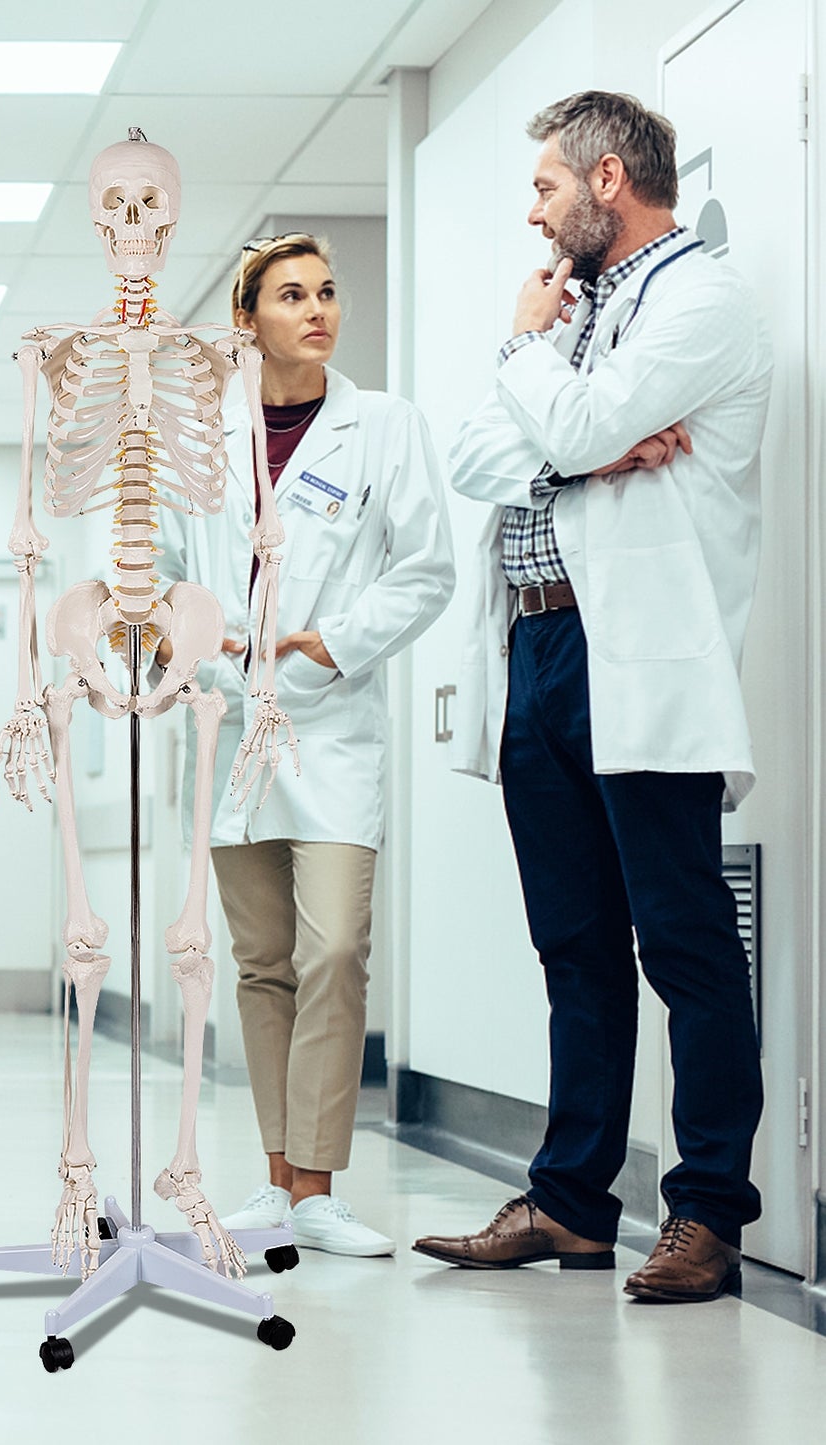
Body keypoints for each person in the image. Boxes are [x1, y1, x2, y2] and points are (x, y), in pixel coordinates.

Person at [413, 92, 772, 1303]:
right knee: (571, 942)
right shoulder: (580, 310)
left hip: (641, 657)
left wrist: (534, 370)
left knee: (681, 939)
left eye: (543, 187)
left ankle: (708, 1213)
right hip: (539, 657)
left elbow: (576, 415)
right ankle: (570, 1202)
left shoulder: (699, 300)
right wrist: (571, 435)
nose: (533, 209)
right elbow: (471, 455)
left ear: (605, 178)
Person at [157, 234, 454, 1256]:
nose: (317, 308)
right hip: (230, 729)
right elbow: (154, 580)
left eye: (326, 291)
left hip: (330, 727)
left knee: (333, 947)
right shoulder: (198, 436)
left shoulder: (384, 427)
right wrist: (191, 638)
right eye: (291, 294)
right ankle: (278, 1181)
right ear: (248, 320)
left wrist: (335, 640)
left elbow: (424, 568)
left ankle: (320, 1185)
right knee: (261, 961)